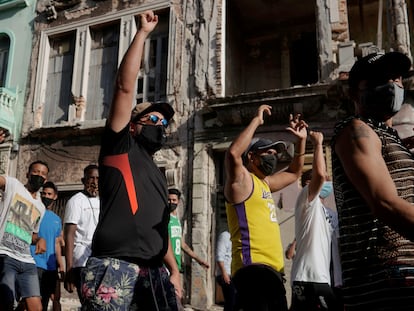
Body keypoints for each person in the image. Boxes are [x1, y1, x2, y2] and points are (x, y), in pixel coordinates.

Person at [81, 10, 181, 311]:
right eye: (152, 118)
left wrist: (174, 270)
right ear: (133, 125)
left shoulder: (158, 174)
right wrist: (142, 33)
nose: (160, 125)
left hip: (155, 272)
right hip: (114, 266)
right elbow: (124, 89)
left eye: (164, 123)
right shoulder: (119, 146)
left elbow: (158, 231)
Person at [331, 51, 414, 310]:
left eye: (397, 78)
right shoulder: (355, 129)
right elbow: (385, 203)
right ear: (354, 93)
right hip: (386, 287)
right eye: (381, 78)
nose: (392, 84)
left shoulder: (391, 138)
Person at [224, 104, 308, 311]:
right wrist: (257, 120)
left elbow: (295, 172)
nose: (273, 156)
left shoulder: (266, 184)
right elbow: (233, 154)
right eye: (267, 152)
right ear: (252, 157)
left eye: (274, 153)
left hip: (273, 271)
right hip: (252, 271)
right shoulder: (243, 181)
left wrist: (301, 141)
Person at [290, 130, 341, 311]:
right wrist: (318, 143)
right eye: (324, 179)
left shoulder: (331, 214)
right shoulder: (306, 201)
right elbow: (319, 174)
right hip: (307, 278)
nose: (327, 181)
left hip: (326, 280)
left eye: (329, 179)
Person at [0, 160, 48, 311]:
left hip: (26, 260)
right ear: (27, 174)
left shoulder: (41, 206)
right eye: (36, 172)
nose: (39, 176)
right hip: (5, 254)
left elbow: (31, 234)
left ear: (45, 180)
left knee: (36, 307)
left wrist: (40, 239)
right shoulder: (14, 185)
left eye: (43, 174)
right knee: (6, 302)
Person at [63, 164, 99, 301]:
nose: (94, 182)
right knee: (88, 303)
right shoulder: (76, 201)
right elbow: (69, 235)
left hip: (100, 260)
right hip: (82, 263)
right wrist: (69, 269)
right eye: (91, 178)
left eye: (97, 178)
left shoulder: (103, 201)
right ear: (83, 181)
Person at [30, 181, 64, 311]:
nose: (46, 196)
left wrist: (60, 265)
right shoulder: (35, 211)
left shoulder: (57, 220)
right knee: (31, 300)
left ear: (55, 196)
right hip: (34, 262)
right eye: (44, 193)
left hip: (50, 267)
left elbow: (56, 244)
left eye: (49, 194)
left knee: (44, 301)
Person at [168, 188, 209, 271]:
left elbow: (182, 244)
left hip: (176, 265)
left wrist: (198, 260)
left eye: (174, 200)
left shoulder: (176, 220)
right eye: (169, 200)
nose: (171, 202)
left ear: (178, 201)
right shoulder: (164, 218)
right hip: (166, 266)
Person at [215, 230, 236, 311]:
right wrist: (224, 273)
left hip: (234, 273)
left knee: (234, 302)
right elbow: (219, 256)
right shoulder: (225, 236)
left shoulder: (236, 236)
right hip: (226, 273)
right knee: (231, 301)